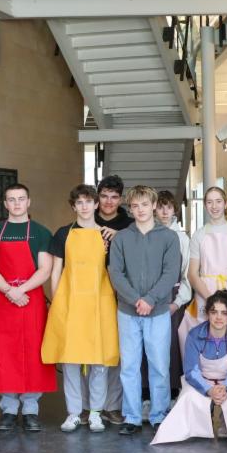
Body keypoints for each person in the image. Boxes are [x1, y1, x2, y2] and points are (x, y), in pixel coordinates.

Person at [42, 184, 119, 433]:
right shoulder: (63, 234)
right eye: (79, 202)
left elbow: (113, 271)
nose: (84, 206)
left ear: (96, 205)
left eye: (88, 202)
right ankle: (74, 413)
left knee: (99, 360)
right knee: (71, 360)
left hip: (100, 301)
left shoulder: (107, 235)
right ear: (73, 206)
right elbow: (56, 271)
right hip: (71, 301)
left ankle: (96, 412)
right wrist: (57, 301)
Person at [107, 185, 182, 436]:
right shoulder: (121, 238)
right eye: (135, 206)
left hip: (158, 311)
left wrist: (149, 299)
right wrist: (135, 299)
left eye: (144, 204)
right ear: (130, 209)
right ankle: (132, 416)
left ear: (154, 206)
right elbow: (115, 274)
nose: (140, 210)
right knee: (129, 366)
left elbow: (170, 273)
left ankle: (159, 415)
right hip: (127, 312)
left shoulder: (169, 238)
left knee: (159, 365)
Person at [0, 183, 56, 431]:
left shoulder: (41, 233)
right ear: (5, 204)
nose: (16, 204)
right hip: (5, 300)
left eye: (21, 199)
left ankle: (31, 409)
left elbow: (45, 269)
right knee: (5, 353)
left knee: (33, 352)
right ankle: (9, 409)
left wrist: (21, 290)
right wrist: (9, 291)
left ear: (28, 201)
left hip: (31, 299)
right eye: (11, 199)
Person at [153, 291, 227, 446]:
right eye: (214, 312)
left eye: (224, 313)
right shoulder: (194, 334)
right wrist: (209, 390)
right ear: (207, 314)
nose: (219, 317)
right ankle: (200, 429)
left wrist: (225, 387)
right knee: (189, 397)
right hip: (201, 382)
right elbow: (191, 371)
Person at [180, 187, 227, 357]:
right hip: (205, 292)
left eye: (218, 201)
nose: (214, 206)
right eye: (209, 202)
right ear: (205, 205)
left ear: (225, 204)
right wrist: (210, 299)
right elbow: (192, 273)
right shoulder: (198, 235)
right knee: (203, 336)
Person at [95, 174, 131, 424]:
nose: (109, 201)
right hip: (91, 291)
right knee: (92, 348)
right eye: (104, 196)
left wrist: (118, 236)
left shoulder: (129, 224)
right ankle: (90, 406)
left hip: (121, 291)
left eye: (114, 197)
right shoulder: (87, 220)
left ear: (121, 199)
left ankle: (113, 405)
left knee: (117, 349)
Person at [155, 190, 192, 390]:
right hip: (150, 300)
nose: (164, 212)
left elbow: (187, 274)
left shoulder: (182, 238)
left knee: (172, 347)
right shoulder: (147, 234)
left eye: (168, 207)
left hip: (173, 300)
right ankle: (148, 394)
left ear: (174, 210)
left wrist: (177, 303)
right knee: (150, 348)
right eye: (160, 207)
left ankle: (172, 391)